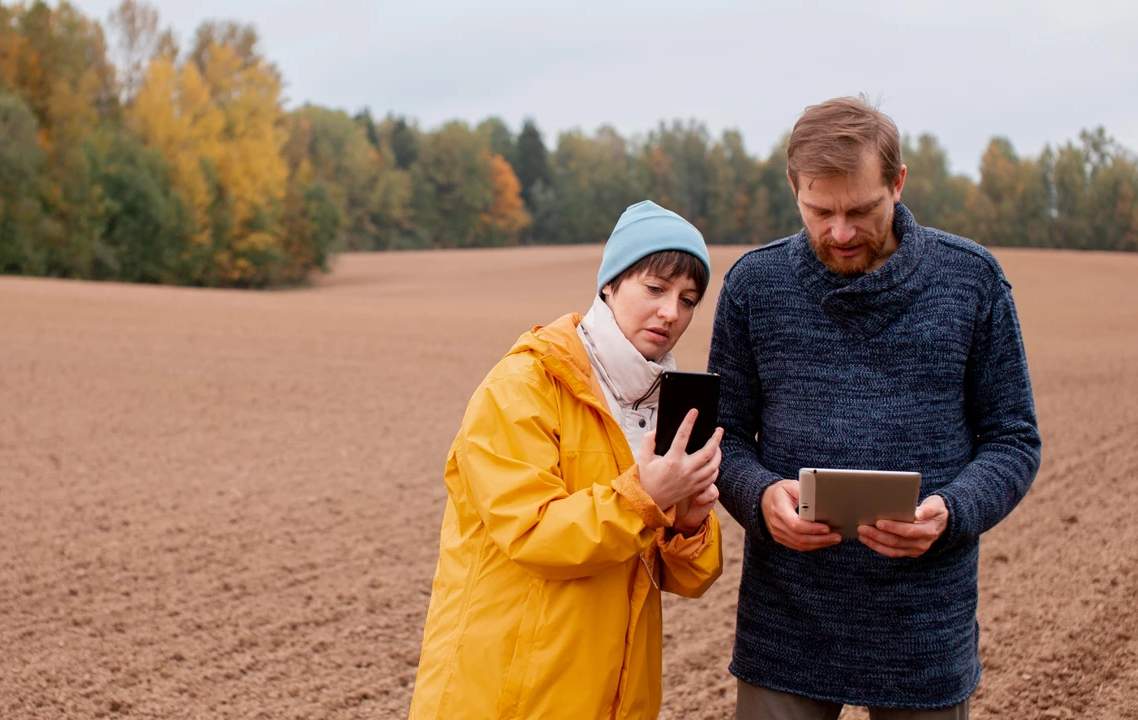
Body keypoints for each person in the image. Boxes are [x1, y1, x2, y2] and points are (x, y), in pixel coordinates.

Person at [708, 95, 1042, 720]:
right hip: (787, 627)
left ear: (898, 183)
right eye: (820, 211)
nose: (840, 233)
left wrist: (951, 512)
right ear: (794, 189)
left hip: (924, 629)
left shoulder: (971, 282)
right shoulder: (754, 287)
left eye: (860, 210)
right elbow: (722, 437)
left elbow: (1013, 439)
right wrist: (759, 496)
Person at [410, 200, 725, 719]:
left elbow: (689, 581)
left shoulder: (659, 405)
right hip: (509, 696)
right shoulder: (523, 387)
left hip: (613, 696)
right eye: (655, 288)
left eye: (688, 299)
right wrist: (646, 498)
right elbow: (534, 534)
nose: (672, 312)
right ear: (610, 284)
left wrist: (686, 525)